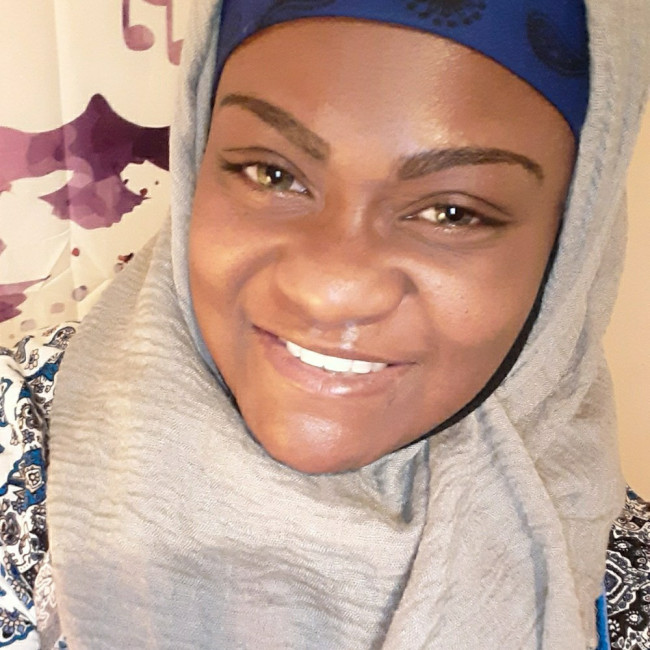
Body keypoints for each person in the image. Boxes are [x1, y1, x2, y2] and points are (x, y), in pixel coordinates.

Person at [0, 0, 648, 648]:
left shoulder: (616, 576)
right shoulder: (17, 441)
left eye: (452, 213)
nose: (329, 291)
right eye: (272, 174)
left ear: (569, 247)